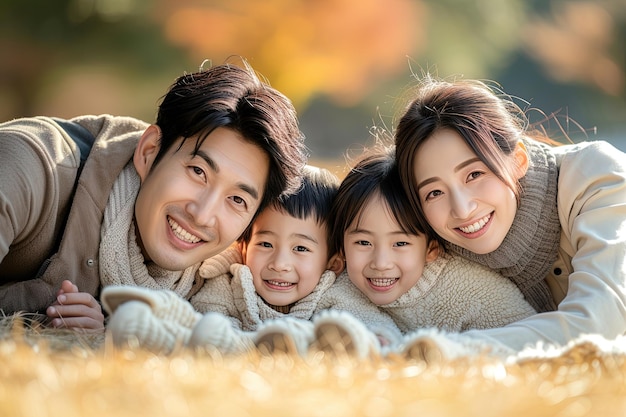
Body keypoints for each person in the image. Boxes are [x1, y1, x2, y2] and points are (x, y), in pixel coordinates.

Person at [0, 59, 307, 332]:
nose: (202, 215)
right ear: (149, 152)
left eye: (237, 200)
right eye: (198, 172)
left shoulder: (217, 280)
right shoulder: (34, 166)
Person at [394, 76, 626, 353]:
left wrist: (451, 350)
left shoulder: (595, 176)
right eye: (434, 192)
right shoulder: (432, 245)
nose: (462, 209)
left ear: (518, 160)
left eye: (475, 174)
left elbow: (598, 324)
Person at [316, 145, 535, 357]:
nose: (380, 263)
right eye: (363, 243)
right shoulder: (339, 286)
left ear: (431, 249)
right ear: (342, 247)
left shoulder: (470, 290)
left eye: (400, 244)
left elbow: (528, 339)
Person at [102, 165, 346, 355]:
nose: (279, 263)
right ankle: (151, 312)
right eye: (265, 244)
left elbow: (364, 331)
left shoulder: (338, 296)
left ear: (333, 263)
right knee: (193, 326)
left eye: (301, 248)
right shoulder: (228, 282)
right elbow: (207, 322)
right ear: (243, 246)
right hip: (213, 336)